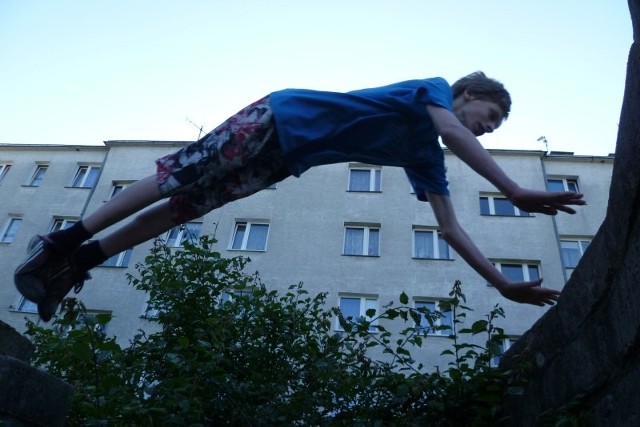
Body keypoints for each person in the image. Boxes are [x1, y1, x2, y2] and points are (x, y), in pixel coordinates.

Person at [14, 72, 585, 322]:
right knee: (180, 179)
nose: (489, 130)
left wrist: (501, 282)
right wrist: (511, 189)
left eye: (496, 128)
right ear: (467, 95)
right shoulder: (433, 90)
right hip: (281, 117)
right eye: (491, 117)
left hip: (285, 160)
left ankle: (79, 262)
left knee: (185, 208)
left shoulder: (425, 157)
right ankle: (62, 240)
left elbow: (452, 229)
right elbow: (458, 133)